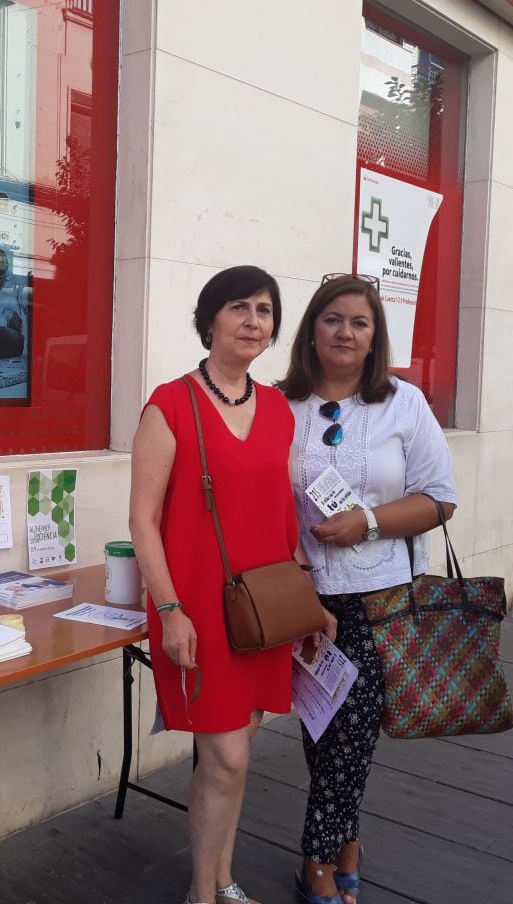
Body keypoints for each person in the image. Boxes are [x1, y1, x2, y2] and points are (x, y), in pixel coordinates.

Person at [130, 265, 334, 904]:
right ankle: (202, 893)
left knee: (236, 748)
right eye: (239, 307)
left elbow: (282, 515)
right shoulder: (169, 404)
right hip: (195, 606)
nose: (253, 321)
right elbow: (142, 519)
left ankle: (222, 879)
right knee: (226, 759)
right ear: (210, 320)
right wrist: (170, 611)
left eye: (265, 310)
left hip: (263, 607)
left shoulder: (276, 409)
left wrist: (310, 601)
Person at [279, 274, 456, 904]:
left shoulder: (403, 403)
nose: (345, 332)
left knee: (353, 729)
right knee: (322, 730)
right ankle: (347, 845)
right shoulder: (280, 405)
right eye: (332, 319)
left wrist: (369, 522)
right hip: (303, 594)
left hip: (382, 595)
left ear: (375, 335)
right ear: (312, 329)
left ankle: (316, 863)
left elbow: (440, 499)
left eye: (359, 322)